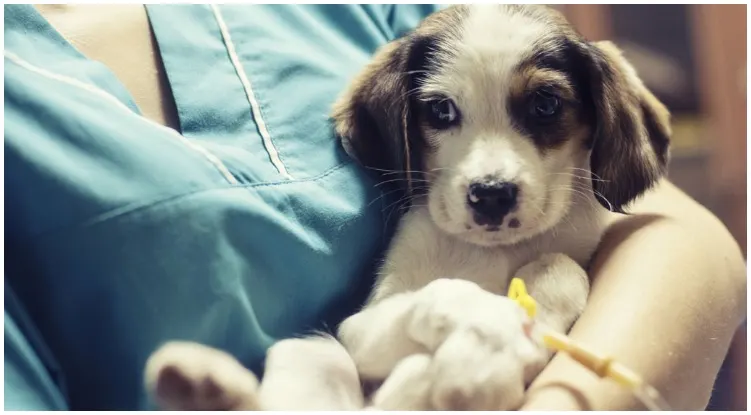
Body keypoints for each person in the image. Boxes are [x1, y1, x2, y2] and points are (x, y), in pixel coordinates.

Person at [4, 4, 746, 411]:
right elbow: (364, 338)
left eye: (543, 107)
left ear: (595, 114)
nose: (490, 173)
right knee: (309, 355)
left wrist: (565, 394)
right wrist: (449, 307)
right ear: (400, 124)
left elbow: (684, 245)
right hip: (367, 382)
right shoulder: (426, 216)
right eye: (441, 116)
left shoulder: (384, 11)